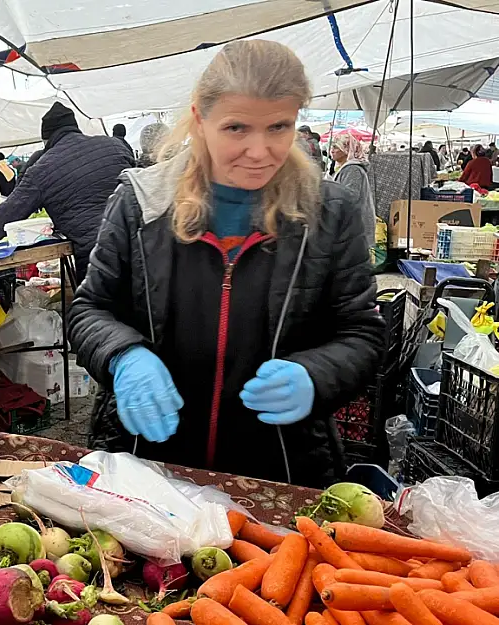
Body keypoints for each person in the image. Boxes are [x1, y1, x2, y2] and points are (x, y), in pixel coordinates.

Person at [68, 40, 383, 487]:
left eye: (279, 127)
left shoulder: (328, 213)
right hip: (151, 464)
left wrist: (316, 375)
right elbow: (89, 309)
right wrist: (124, 355)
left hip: (281, 469)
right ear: (200, 120)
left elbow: (361, 332)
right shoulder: (142, 206)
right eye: (237, 128)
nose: (260, 151)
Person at [0, 102, 134, 283]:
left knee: (104, 309)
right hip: (140, 244)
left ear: (47, 139)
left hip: (97, 257)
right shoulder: (115, 146)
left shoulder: (41, 169)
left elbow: (9, 212)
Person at [329, 134, 377, 249]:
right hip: (350, 227)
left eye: (336, 147)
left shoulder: (352, 170)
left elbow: (349, 198)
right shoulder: (343, 169)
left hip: (354, 228)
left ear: (347, 149)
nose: (332, 150)